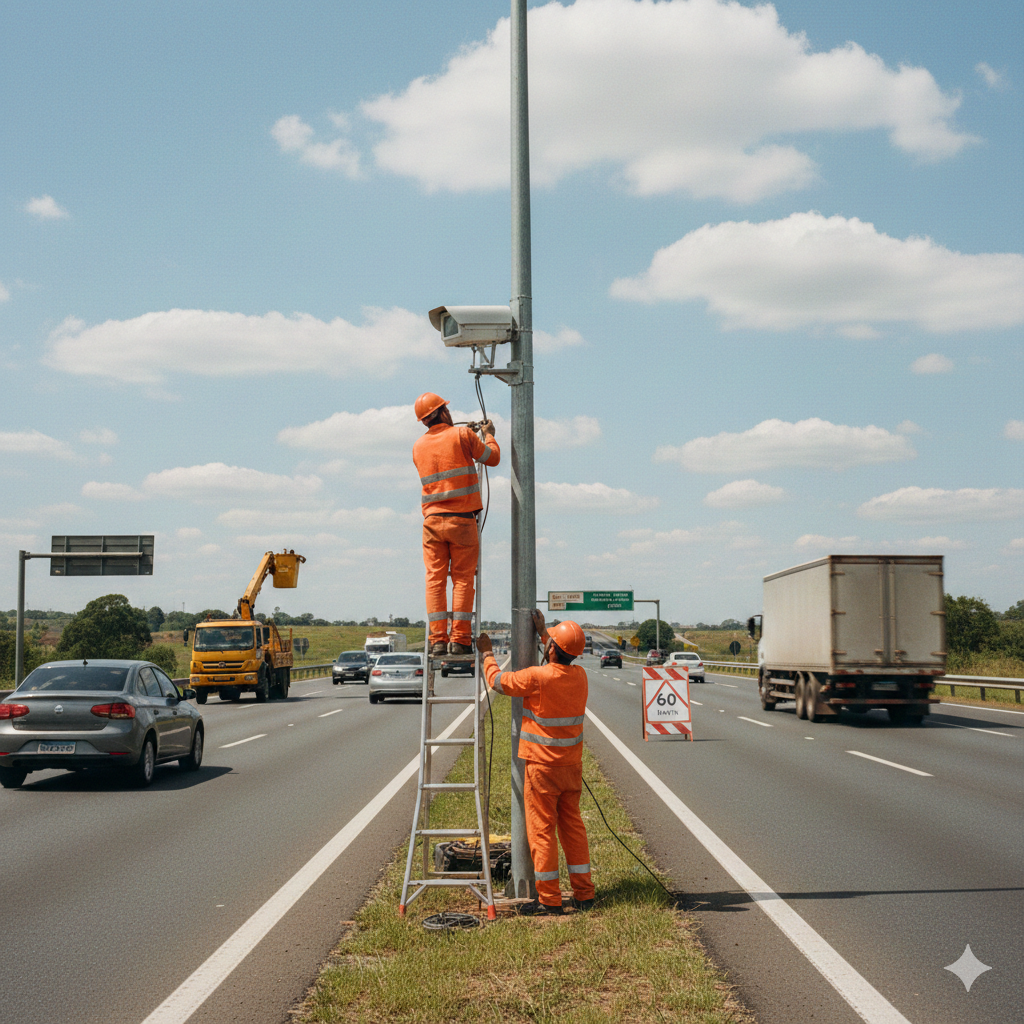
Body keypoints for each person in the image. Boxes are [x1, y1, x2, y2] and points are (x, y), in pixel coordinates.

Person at [477, 610, 596, 916]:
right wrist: (545, 633)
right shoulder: (580, 677)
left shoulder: (537, 677)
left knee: (542, 831)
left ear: (552, 650)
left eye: (550, 642)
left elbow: (498, 682)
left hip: (542, 769)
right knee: (572, 828)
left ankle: (549, 900)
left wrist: (488, 653)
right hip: (571, 769)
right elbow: (561, 654)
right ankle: (584, 893)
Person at [412, 392, 500, 656]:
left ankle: (437, 640)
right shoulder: (462, 436)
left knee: (434, 580)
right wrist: (488, 434)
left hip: (431, 523)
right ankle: (459, 639)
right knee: (462, 580)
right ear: (443, 412)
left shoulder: (418, 447)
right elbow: (492, 458)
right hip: (461, 521)